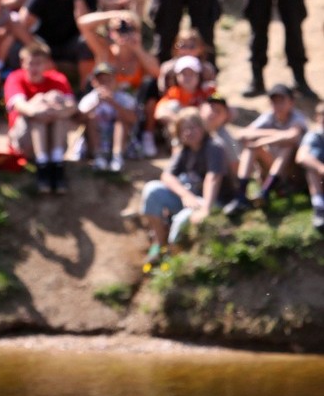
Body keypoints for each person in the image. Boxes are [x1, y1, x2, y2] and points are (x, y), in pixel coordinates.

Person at [140, 108, 229, 263]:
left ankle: (173, 261)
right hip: (191, 199)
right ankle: (160, 244)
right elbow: (166, 176)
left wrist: (205, 209)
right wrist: (185, 195)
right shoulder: (185, 150)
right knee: (151, 190)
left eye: (193, 127)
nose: (189, 132)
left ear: (202, 127)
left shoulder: (214, 147)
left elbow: (212, 178)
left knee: (181, 219)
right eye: (184, 129)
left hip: (214, 201)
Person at [224, 84, 308, 217]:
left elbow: (292, 136)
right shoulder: (269, 116)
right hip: (274, 170)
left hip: (295, 175)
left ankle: (265, 191)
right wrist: (272, 133)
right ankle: (241, 196)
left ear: (291, 102)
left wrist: (263, 140)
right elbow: (242, 134)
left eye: (282, 100)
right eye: (274, 101)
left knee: (287, 146)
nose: (277, 105)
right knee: (252, 147)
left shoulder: (297, 117)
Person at [4, 39, 76, 192]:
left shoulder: (57, 78)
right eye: (31, 63)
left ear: (46, 64)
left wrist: (55, 109)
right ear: (23, 63)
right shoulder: (15, 78)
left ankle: (56, 163)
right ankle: (43, 164)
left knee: (55, 99)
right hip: (24, 141)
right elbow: (20, 105)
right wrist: (40, 106)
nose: (34, 68)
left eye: (39, 63)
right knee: (41, 105)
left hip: (53, 138)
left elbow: (72, 107)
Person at [19, 0, 97, 85]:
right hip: (44, 44)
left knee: (87, 42)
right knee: (17, 47)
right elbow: (23, 22)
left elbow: (86, 26)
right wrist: (40, 51)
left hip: (71, 46)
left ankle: (86, 89)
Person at [78, 62, 139, 173]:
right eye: (101, 80)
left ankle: (117, 157)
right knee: (91, 118)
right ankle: (99, 157)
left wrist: (113, 103)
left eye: (108, 79)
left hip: (122, 141)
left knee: (121, 120)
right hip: (95, 140)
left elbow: (133, 119)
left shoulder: (125, 98)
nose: (105, 83)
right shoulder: (88, 99)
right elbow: (78, 121)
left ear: (116, 81)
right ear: (93, 82)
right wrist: (96, 104)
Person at [296, 99, 324, 231]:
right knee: (312, 169)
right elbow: (301, 157)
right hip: (318, 180)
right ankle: (320, 208)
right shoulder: (314, 135)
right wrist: (321, 168)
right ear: (318, 117)